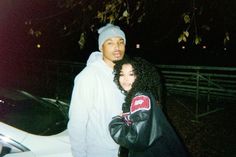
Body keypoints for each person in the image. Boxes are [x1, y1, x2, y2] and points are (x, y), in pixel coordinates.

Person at [109, 56, 189, 157]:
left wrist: (116, 122)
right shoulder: (139, 94)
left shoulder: (140, 98)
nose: (125, 79)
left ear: (141, 76)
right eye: (122, 74)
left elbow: (137, 139)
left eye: (131, 74)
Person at [67, 23, 126, 157]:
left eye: (120, 42)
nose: (117, 47)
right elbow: (77, 123)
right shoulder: (89, 76)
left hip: (122, 149)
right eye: (110, 43)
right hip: (99, 151)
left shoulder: (124, 75)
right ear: (101, 47)